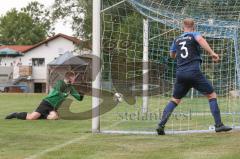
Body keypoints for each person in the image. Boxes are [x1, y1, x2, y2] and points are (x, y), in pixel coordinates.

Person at [156, 18, 232, 135]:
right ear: (194, 26)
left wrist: (180, 56)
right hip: (193, 72)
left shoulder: (177, 39)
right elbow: (200, 40)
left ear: (183, 27)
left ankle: (161, 125)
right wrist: (212, 53)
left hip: (181, 73)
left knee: (175, 100)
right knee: (212, 95)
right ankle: (219, 125)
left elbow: (172, 55)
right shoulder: (194, 34)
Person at [5, 71, 84, 120]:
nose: (75, 79)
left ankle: (42, 115)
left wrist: (81, 93)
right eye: (74, 78)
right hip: (47, 103)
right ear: (69, 78)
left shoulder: (71, 87)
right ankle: (15, 114)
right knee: (31, 118)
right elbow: (57, 92)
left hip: (54, 107)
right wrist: (66, 93)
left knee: (54, 117)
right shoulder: (60, 83)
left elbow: (79, 98)